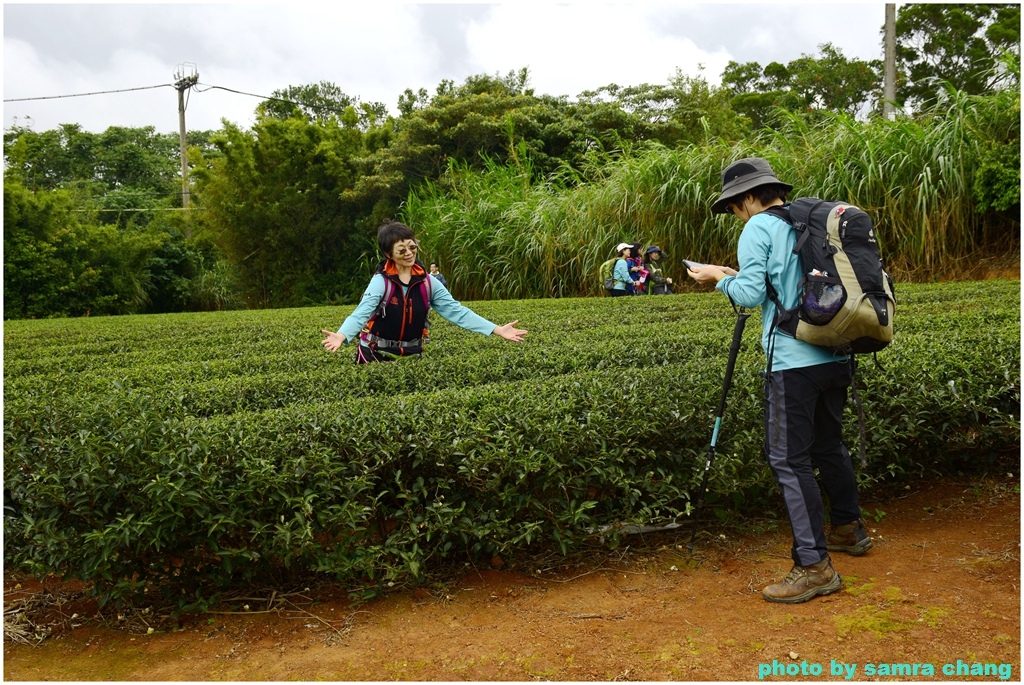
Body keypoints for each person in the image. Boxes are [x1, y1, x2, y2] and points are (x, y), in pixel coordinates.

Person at [687, 157, 872, 604]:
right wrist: (737, 276)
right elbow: (781, 282)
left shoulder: (757, 228)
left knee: (788, 460)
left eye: (734, 205)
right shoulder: (805, 222)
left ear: (749, 197)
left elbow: (751, 295)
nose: (736, 213)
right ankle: (849, 529)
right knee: (829, 445)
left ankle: (813, 566)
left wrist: (717, 279)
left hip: (792, 360)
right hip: (835, 350)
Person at [322, 222, 527, 363]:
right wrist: (342, 335)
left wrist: (497, 329)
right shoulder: (380, 283)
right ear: (388, 254)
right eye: (401, 250)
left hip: (412, 354)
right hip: (376, 354)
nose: (409, 253)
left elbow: (457, 312)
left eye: (412, 247)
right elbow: (362, 312)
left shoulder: (428, 282)